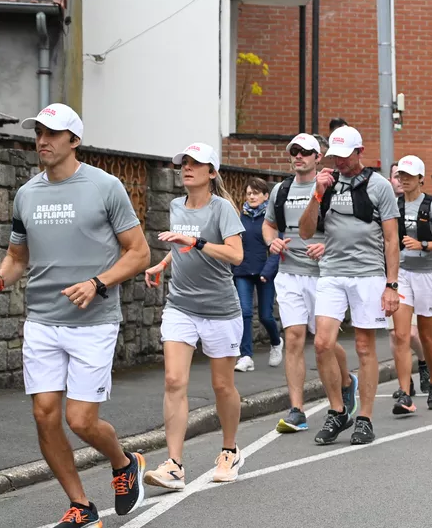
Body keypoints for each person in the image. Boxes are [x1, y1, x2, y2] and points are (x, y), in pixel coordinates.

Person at [0, 103, 149, 528]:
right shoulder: (26, 194)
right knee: (44, 416)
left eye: (53, 133)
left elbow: (139, 252)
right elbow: (18, 257)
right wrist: (0, 278)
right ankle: (80, 506)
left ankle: (124, 463)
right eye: (38, 132)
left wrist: (98, 282)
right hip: (42, 319)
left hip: (93, 320)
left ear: (74, 140)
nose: (43, 140)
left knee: (80, 420)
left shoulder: (105, 187)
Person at [142, 142, 247, 489]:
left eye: (196, 163)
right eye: (184, 163)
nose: (187, 168)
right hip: (181, 305)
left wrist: (197, 243)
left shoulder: (222, 210)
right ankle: (174, 465)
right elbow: (180, 246)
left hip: (220, 309)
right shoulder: (175, 205)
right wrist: (162, 261)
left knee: (222, 385)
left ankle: (230, 451)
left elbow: (235, 256)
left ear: (211, 173)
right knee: (173, 381)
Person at [297, 125, 400, 445]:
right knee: (323, 343)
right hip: (331, 273)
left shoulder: (380, 186)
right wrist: (317, 193)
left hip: (368, 274)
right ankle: (338, 411)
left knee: (364, 347)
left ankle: (365, 418)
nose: (339, 162)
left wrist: (391, 285)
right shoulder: (324, 183)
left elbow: (391, 239)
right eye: (334, 157)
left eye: (344, 156)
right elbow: (305, 232)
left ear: (359, 153)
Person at [264, 134, 357, 433]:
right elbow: (269, 225)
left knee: (324, 342)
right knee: (293, 337)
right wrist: (272, 242)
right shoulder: (280, 190)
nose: (299, 156)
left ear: (319, 157)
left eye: (306, 152)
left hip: (324, 274)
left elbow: (351, 230)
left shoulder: (332, 187)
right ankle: (297, 410)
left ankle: (347, 380)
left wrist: (328, 247)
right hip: (289, 272)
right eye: (294, 151)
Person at [389, 156, 432, 414]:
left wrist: (424, 245)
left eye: (408, 175)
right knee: (400, 335)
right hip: (403, 274)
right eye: (400, 175)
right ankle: (405, 394)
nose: (403, 179)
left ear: (421, 178)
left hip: (428, 274)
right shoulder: (394, 206)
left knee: (427, 336)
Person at [233, 178, 282, 372]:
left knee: (265, 316)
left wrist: (267, 271)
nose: (251, 196)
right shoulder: (240, 217)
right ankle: (246, 356)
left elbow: (277, 249)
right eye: (248, 193)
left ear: (265, 196)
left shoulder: (271, 219)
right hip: (242, 271)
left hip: (265, 273)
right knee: (244, 312)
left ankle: (276, 342)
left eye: (255, 193)